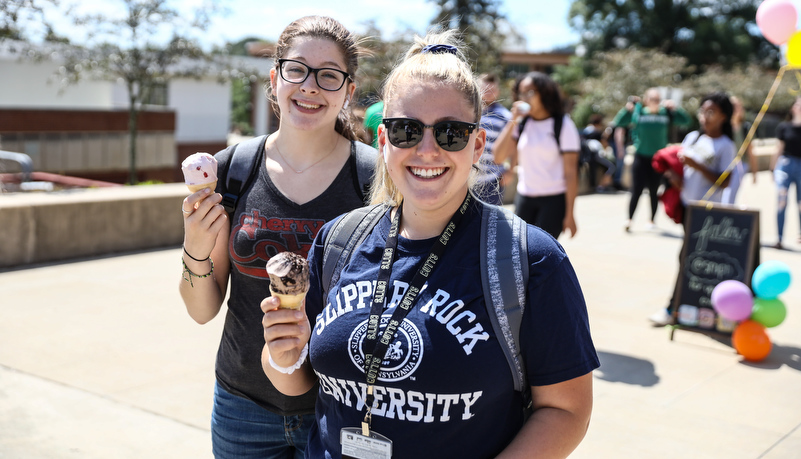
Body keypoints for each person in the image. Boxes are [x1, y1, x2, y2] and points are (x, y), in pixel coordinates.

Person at [260, 30, 599, 458]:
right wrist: (282, 353)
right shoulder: (338, 240)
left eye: (451, 133)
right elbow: (297, 379)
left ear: (477, 145)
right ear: (383, 141)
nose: (427, 149)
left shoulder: (530, 259)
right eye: (406, 130)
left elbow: (567, 410)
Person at [179, 16, 376, 458]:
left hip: (340, 408)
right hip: (241, 405)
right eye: (297, 69)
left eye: (329, 76)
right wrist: (195, 244)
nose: (310, 86)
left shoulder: (374, 178)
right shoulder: (233, 169)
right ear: (275, 78)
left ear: (347, 90)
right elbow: (202, 309)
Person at [651, 92, 735, 326]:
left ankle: (675, 308)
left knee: (691, 258)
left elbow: (726, 180)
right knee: (689, 258)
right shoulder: (692, 138)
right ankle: (685, 308)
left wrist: (696, 165)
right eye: (702, 111)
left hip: (708, 213)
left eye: (711, 112)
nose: (705, 117)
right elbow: (683, 172)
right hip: (688, 208)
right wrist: (674, 178)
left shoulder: (726, 145)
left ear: (724, 117)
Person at [494, 71, 581, 239]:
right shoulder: (522, 123)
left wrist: (570, 214)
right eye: (521, 93)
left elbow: (571, 173)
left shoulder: (563, 125)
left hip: (553, 202)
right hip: (524, 198)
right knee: (518, 252)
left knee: (540, 255)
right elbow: (498, 156)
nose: (525, 97)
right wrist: (513, 120)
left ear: (545, 93)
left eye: (530, 92)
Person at [613, 89, 691, 232]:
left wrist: (675, 108)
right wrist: (627, 109)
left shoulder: (665, 113)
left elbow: (686, 120)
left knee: (654, 190)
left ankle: (651, 219)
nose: (655, 102)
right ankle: (629, 219)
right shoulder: (639, 113)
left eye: (657, 99)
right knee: (636, 189)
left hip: (658, 159)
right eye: (652, 99)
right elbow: (619, 122)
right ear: (646, 100)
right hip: (641, 156)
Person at [475, 73, 512, 205]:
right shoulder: (470, 112)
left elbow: (513, 145)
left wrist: (510, 169)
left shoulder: (506, 116)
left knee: (490, 221)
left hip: (493, 179)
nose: (489, 93)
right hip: (468, 177)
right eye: (485, 89)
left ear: (498, 91)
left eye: (492, 90)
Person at [771, 96, 801, 249]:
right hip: (785, 165)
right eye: (798, 104)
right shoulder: (784, 127)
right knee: (781, 200)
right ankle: (779, 238)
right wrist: (772, 167)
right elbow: (779, 148)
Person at [721, 96, 757, 204]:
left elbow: (751, 152)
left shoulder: (746, 128)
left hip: (740, 165)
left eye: (738, 106)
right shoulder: (723, 126)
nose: (737, 109)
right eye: (733, 106)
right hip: (724, 164)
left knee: (729, 196)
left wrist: (755, 172)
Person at [582, 113, 616, 192]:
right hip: (596, 155)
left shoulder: (586, 131)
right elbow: (603, 142)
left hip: (589, 157)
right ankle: (601, 186)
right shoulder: (594, 132)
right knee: (612, 167)